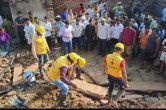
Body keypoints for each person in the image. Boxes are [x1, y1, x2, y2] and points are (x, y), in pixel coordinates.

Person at [103, 43, 129, 108]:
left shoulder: (108, 56)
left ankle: (109, 100)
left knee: (111, 86)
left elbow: (104, 64)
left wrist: (104, 71)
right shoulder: (121, 60)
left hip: (110, 75)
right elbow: (124, 73)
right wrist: (126, 82)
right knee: (123, 87)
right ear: (122, 51)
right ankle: (114, 100)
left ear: (114, 49)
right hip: (118, 77)